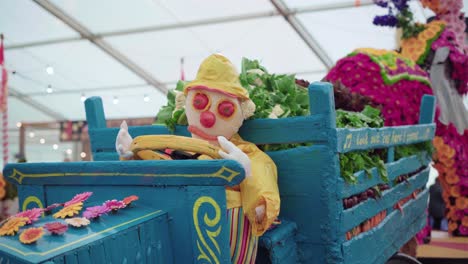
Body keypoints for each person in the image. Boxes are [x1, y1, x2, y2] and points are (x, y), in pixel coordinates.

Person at [117, 54, 280, 263]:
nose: (208, 116)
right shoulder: (173, 149)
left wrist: (246, 176)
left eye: (225, 109)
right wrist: (131, 157)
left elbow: (261, 209)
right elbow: (156, 176)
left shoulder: (249, 155)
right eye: (200, 102)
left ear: (241, 113)